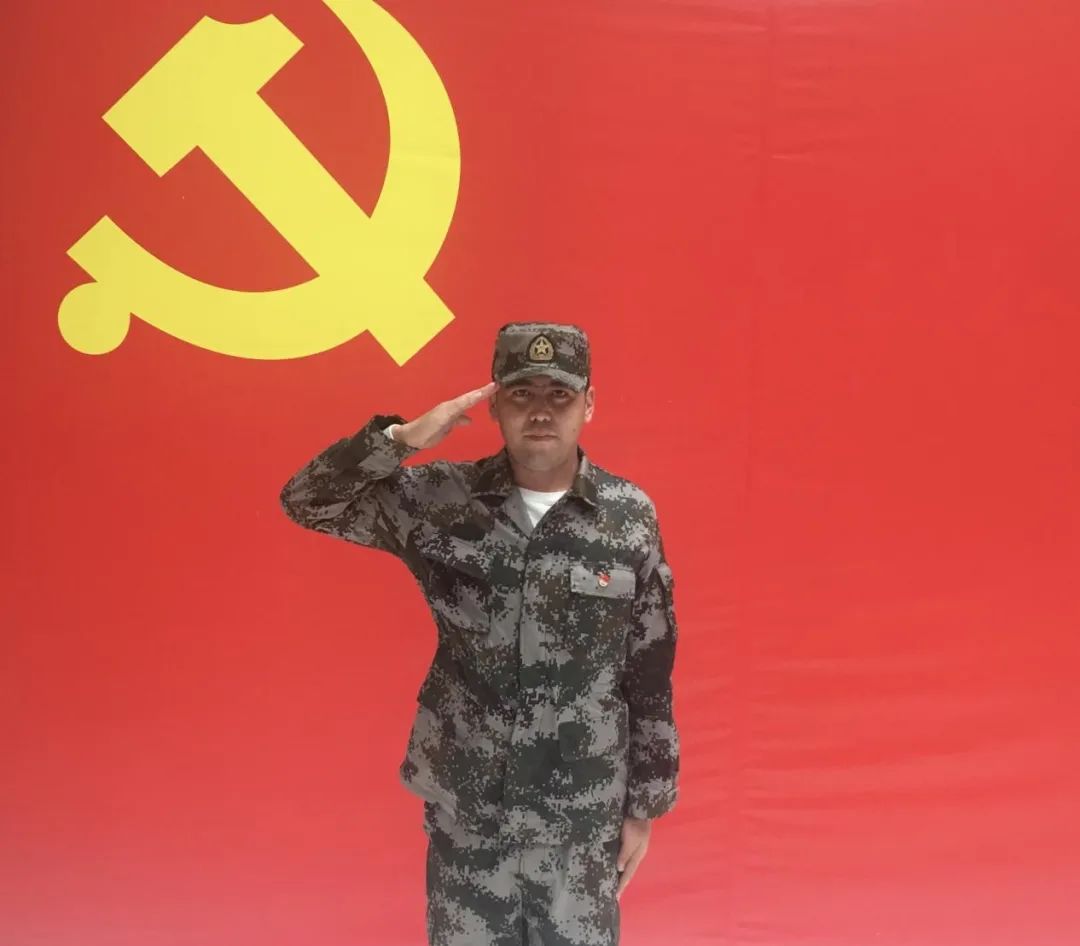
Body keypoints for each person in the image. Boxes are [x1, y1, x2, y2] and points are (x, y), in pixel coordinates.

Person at [280, 322, 679, 945]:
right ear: (494, 405)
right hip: (469, 810)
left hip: (579, 816)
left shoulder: (627, 516)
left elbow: (649, 667)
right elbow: (307, 501)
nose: (541, 412)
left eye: (560, 394)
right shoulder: (442, 501)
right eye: (521, 394)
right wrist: (401, 439)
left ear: (589, 404)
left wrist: (645, 805)